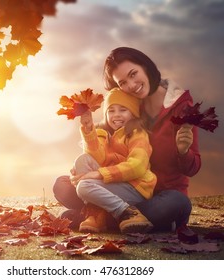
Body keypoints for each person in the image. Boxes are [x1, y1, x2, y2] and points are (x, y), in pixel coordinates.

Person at [53, 47, 201, 233]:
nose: (131, 85)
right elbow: (101, 149)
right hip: (117, 184)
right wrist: (89, 134)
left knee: (176, 203)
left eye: (133, 74)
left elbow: (192, 168)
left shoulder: (181, 107)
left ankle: (99, 216)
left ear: (146, 67)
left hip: (158, 195)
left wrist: (183, 151)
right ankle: (115, 216)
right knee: (63, 185)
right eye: (123, 82)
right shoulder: (127, 108)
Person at [72, 87, 156, 233]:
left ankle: (127, 212)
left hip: (134, 187)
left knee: (83, 187)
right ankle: (96, 215)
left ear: (134, 113)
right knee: (82, 160)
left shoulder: (137, 134)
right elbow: (96, 157)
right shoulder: (103, 134)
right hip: (113, 183)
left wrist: (98, 174)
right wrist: (88, 130)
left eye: (123, 110)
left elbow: (137, 166)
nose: (116, 115)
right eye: (111, 111)